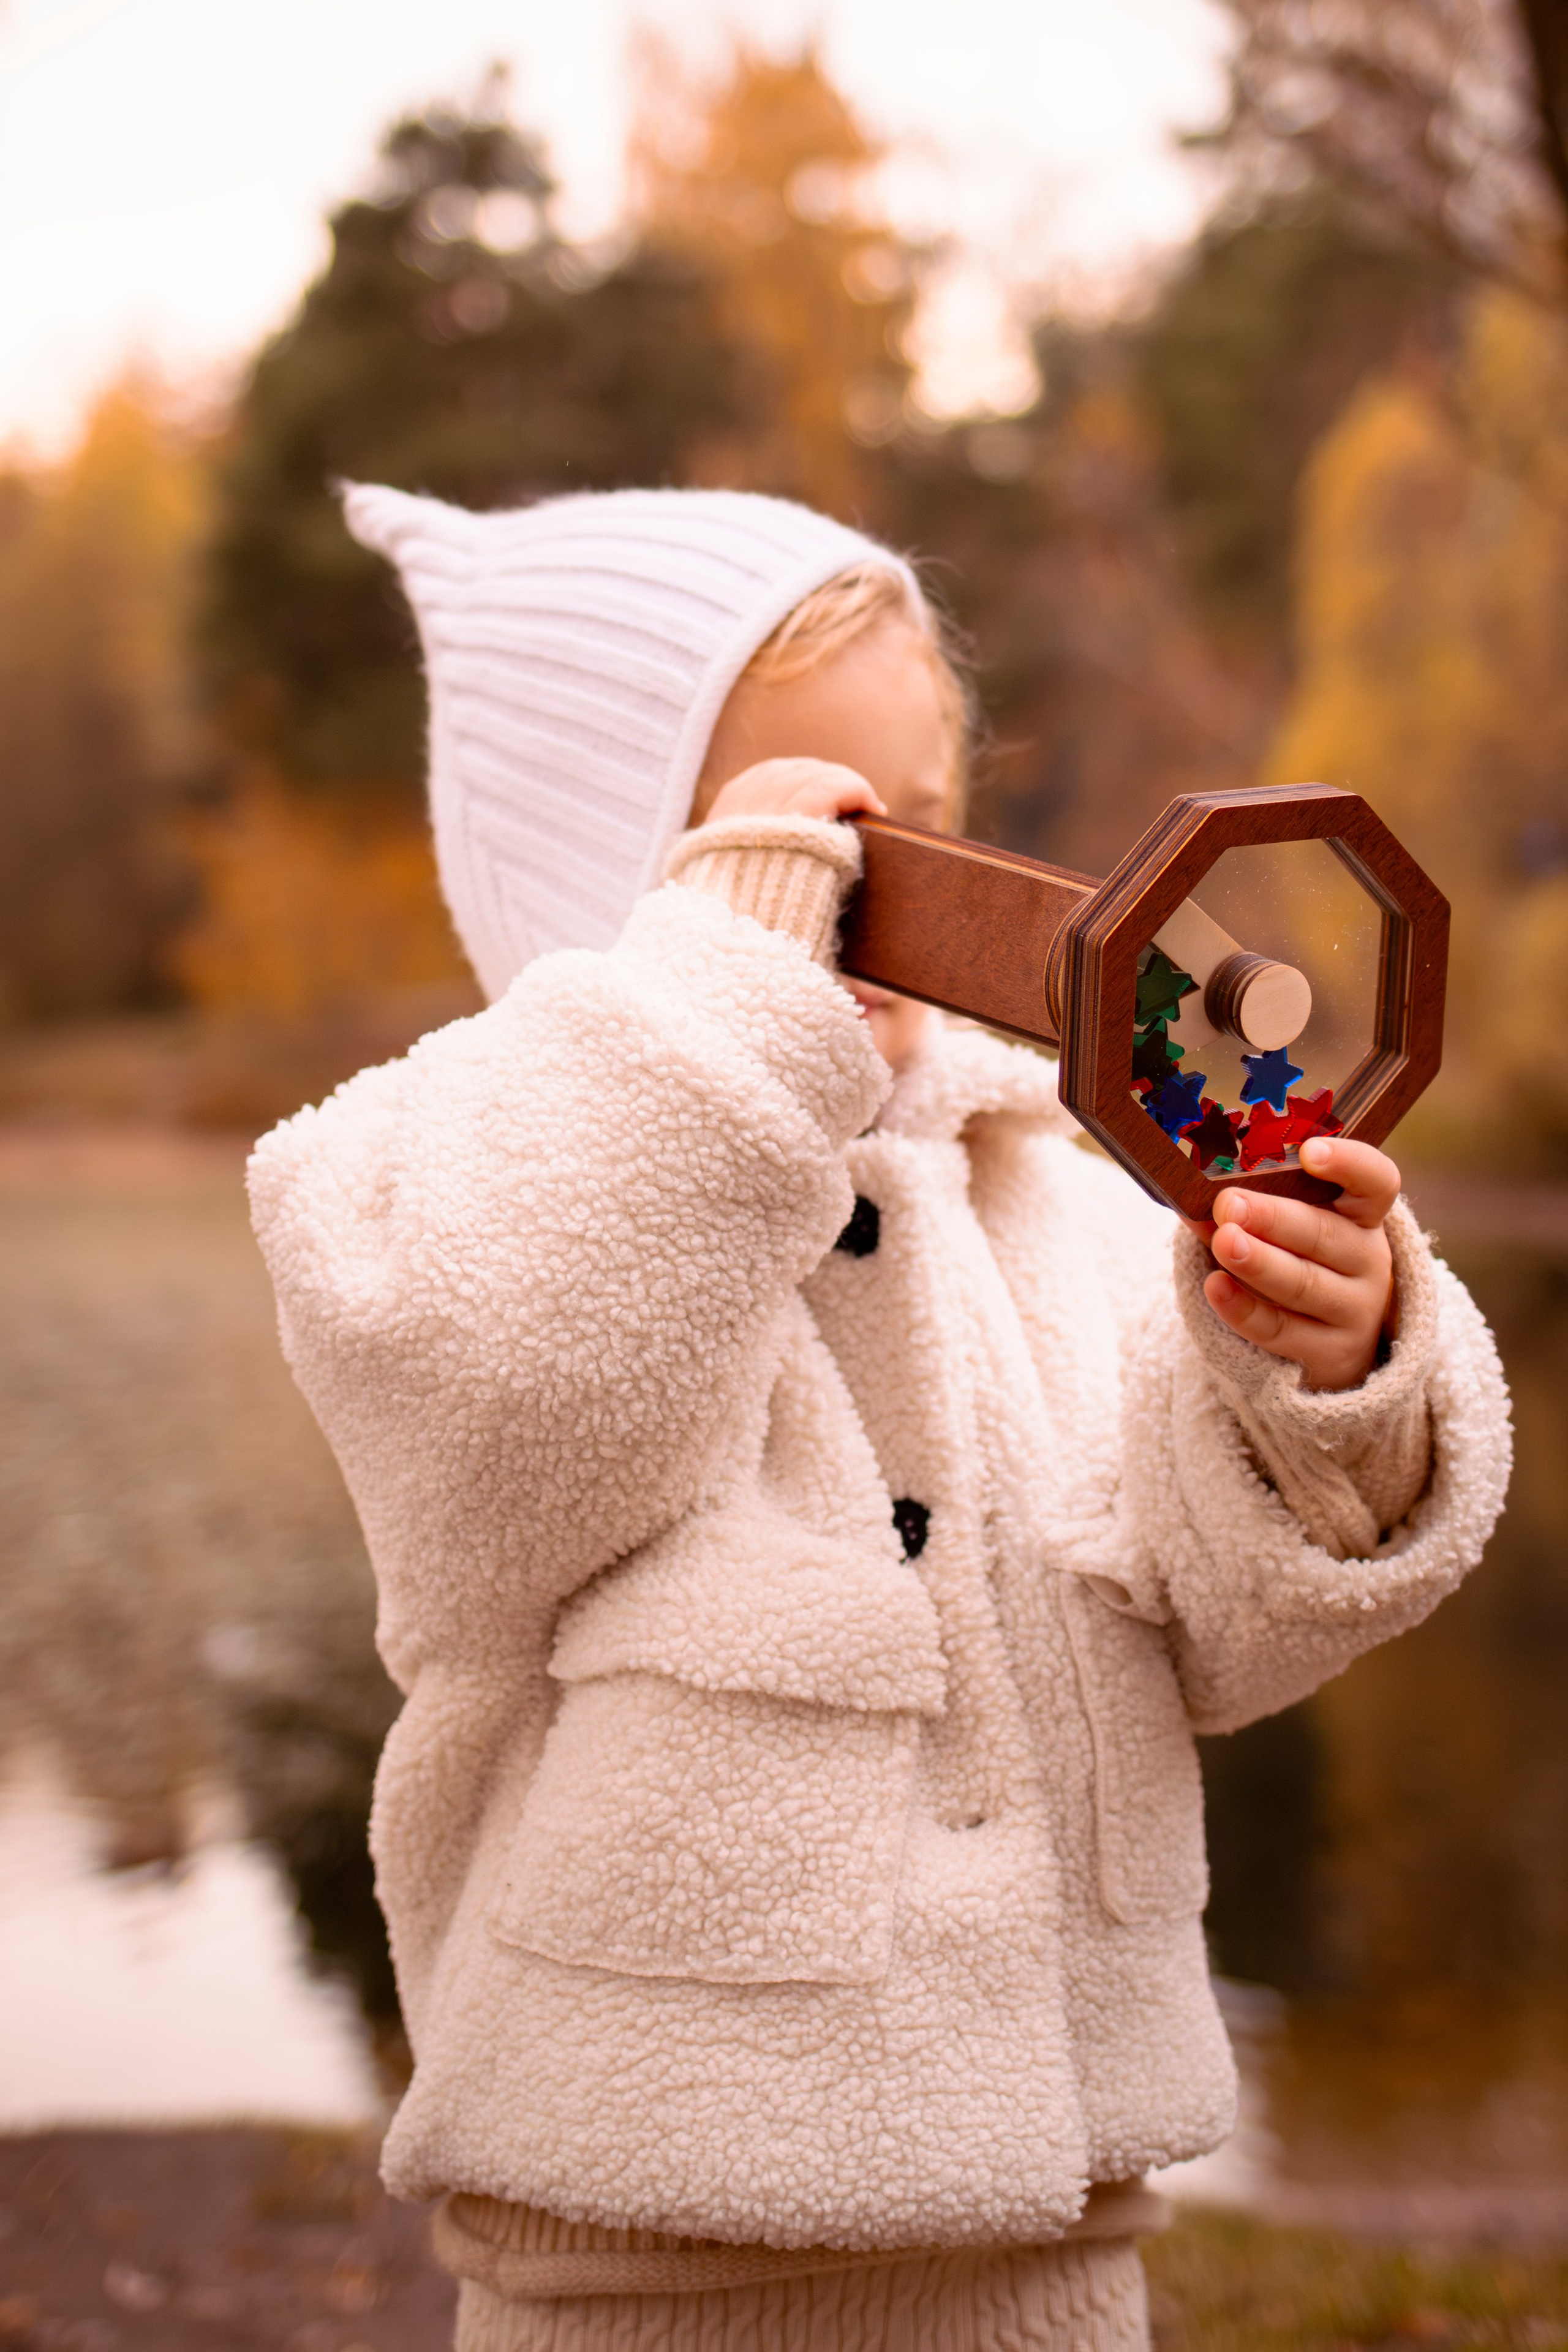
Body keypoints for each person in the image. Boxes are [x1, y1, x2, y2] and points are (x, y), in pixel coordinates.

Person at [248, 487, 1510, 2352]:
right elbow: (502, 1390)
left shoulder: (1045, 1188)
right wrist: (732, 995)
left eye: (911, 828)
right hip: (633, 2289)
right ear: (616, 879)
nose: (874, 890)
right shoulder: (428, 1183)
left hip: (1050, 2270)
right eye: (799, 837)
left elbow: (1227, 1623)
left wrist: (1324, 1375)